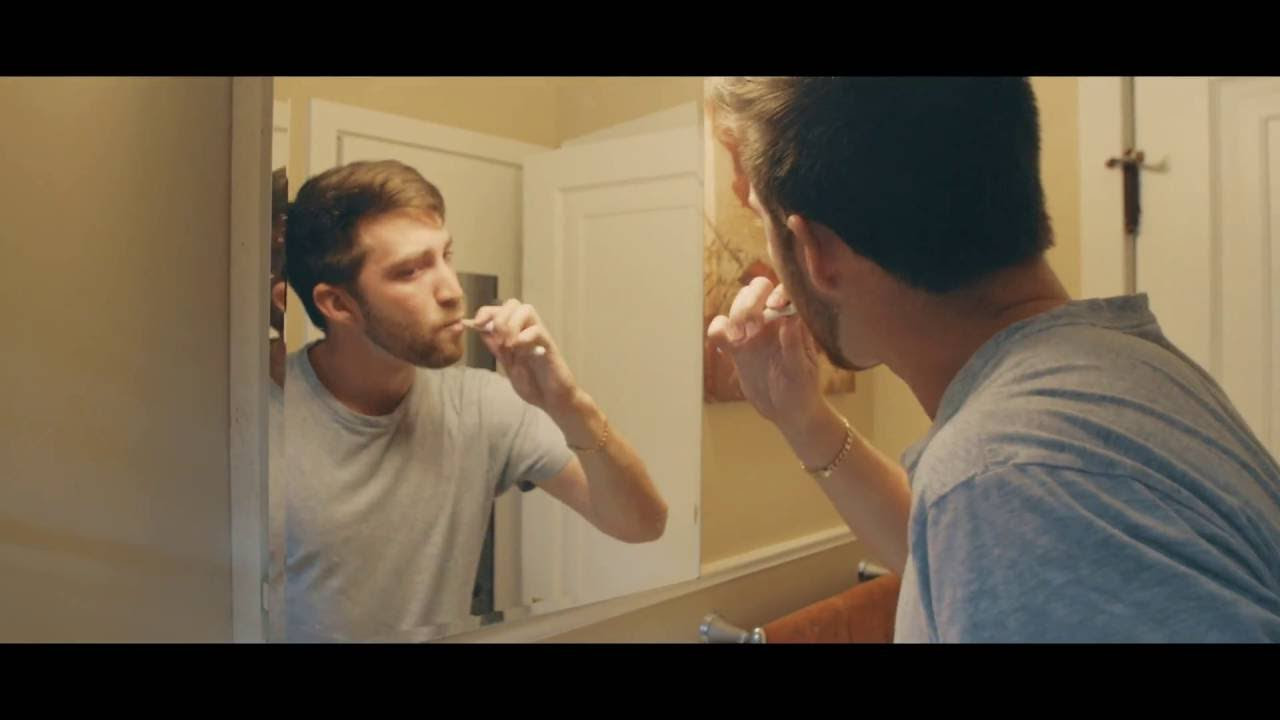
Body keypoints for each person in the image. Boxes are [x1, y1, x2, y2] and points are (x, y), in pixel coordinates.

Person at [706, 76, 1280, 642]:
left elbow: (1007, 524)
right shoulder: (1118, 372)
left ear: (819, 253)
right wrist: (802, 419)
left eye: (761, 217)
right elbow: (972, 568)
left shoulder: (1004, 481)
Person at [276, 159, 667, 641]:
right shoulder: (258, 417)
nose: (452, 290)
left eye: (445, 255)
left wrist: (569, 404)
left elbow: (642, 524)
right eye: (410, 271)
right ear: (338, 304)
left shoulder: (483, 406)